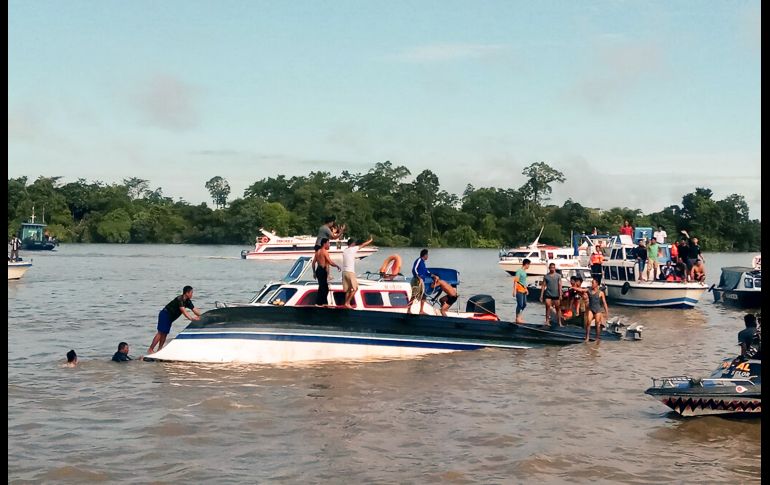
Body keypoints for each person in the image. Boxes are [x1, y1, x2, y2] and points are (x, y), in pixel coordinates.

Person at [148, 286, 201, 353]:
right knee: (160, 333)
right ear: (187, 293)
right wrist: (192, 319)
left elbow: (194, 309)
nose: (192, 294)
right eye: (191, 293)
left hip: (170, 318)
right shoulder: (180, 299)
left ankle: (159, 350)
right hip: (165, 314)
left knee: (165, 333)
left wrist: (202, 316)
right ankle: (150, 349)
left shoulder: (188, 301)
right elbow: (184, 312)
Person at [341, 236, 374, 308]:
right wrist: (370, 240)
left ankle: (345, 304)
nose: (355, 244)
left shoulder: (345, 250)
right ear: (352, 244)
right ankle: (347, 303)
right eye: (354, 243)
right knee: (355, 288)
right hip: (350, 272)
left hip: (344, 272)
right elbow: (363, 245)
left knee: (348, 290)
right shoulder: (353, 249)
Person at [314, 238, 340, 306]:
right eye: (328, 243)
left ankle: (318, 303)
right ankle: (324, 303)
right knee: (325, 288)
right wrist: (337, 266)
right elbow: (330, 262)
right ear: (324, 244)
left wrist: (314, 272)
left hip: (318, 270)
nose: (329, 245)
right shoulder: (324, 252)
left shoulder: (318, 251)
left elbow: (313, 263)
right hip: (322, 270)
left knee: (321, 287)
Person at [406, 249, 432, 315]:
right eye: (427, 255)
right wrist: (418, 277)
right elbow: (414, 269)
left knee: (424, 295)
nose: (428, 256)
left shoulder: (423, 263)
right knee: (414, 295)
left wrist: (433, 276)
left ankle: (421, 311)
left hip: (421, 281)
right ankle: (408, 310)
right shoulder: (419, 260)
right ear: (425, 255)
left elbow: (426, 271)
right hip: (416, 280)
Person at [585, 278, 609, 342]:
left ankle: (597, 338)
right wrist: (574, 288)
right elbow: (582, 290)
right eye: (591, 283)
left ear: (596, 284)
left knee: (597, 324)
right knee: (588, 322)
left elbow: (604, 303)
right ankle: (587, 337)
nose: (592, 284)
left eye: (593, 283)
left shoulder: (601, 293)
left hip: (598, 310)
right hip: (591, 309)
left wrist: (606, 312)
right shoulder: (589, 291)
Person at [512, 259, 530, 323]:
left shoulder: (524, 272)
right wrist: (514, 290)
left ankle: (519, 316)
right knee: (520, 304)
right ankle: (517, 317)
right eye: (529, 264)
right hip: (519, 289)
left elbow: (524, 282)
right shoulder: (519, 271)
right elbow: (516, 281)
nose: (529, 266)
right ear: (526, 264)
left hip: (524, 290)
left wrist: (526, 289)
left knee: (524, 304)